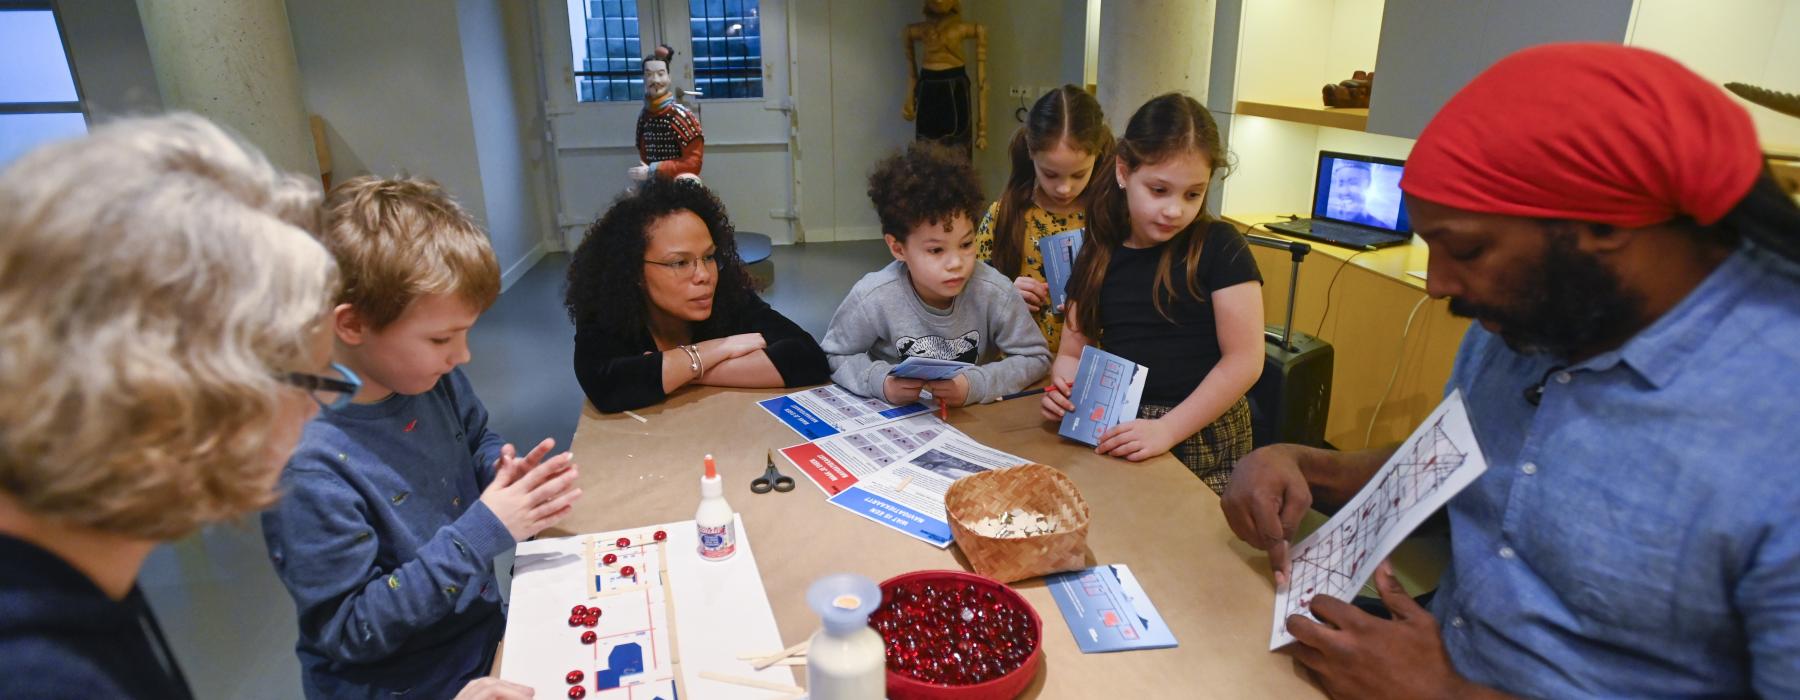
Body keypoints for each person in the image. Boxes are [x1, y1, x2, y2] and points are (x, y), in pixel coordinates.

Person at [1221, 43, 1800, 698]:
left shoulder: (1778, 429)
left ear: (1606, 225)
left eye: (1467, 249)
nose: (1439, 285)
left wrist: (1448, 694)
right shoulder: (1532, 317)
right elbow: (1461, 469)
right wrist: (1302, 463)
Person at [261, 175, 581, 698]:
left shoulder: (431, 377)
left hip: (476, 639)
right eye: (440, 338)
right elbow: (352, 629)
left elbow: (475, 435)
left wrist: (499, 472)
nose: (462, 356)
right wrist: (486, 528)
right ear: (352, 325)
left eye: (464, 333)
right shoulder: (306, 466)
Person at [1040, 93, 1264, 493]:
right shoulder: (1097, 250)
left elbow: (1245, 360)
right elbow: (1074, 352)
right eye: (1159, 190)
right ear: (1124, 172)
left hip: (1200, 431)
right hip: (1117, 422)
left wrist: (1167, 430)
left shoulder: (1220, 245)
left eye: (1192, 194)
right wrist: (1065, 389)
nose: (1174, 210)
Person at [567, 179, 829, 412]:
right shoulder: (605, 310)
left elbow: (808, 359)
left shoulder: (726, 295)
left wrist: (685, 369)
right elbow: (607, 386)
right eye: (680, 263)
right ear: (634, 270)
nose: (704, 275)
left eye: (708, 257)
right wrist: (715, 350)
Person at [822, 141, 1050, 406]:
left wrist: (973, 384)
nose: (955, 262)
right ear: (898, 248)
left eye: (966, 244)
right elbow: (834, 354)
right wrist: (881, 382)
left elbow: (1036, 358)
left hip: (973, 424)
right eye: (936, 250)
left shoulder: (995, 291)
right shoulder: (874, 296)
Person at [974, 85, 1115, 355]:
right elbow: (969, 294)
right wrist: (1005, 294)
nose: (1064, 188)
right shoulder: (1004, 214)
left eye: (1078, 174)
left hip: (1092, 368)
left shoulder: (1112, 217)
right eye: (1051, 174)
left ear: (1097, 155)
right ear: (1030, 151)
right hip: (1018, 365)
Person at [901, 0, 987, 154]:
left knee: (958, 147)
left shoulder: (965, 29)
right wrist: (910, 97)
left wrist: (982, 130)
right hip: (928, 86)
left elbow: (982, 83)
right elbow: (912, 73)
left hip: (955, 86)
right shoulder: (915, 31)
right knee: (925, 150)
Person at [631, 47, 703, 182]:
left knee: (688, 181)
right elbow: (644, 157)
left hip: (677, 180)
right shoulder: (644, 117)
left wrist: (655, 169)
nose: (655, 80)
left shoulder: (681, 116)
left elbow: (693, 163)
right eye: (649, 75)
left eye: (660, 74)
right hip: (653, 182)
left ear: (669, 78)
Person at [1324, 159, 1390, 228]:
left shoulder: (1382, 228)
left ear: (1368, 184)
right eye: (1341, 184)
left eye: (1353, 183)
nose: (1345, 192)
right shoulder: (1326, 220)